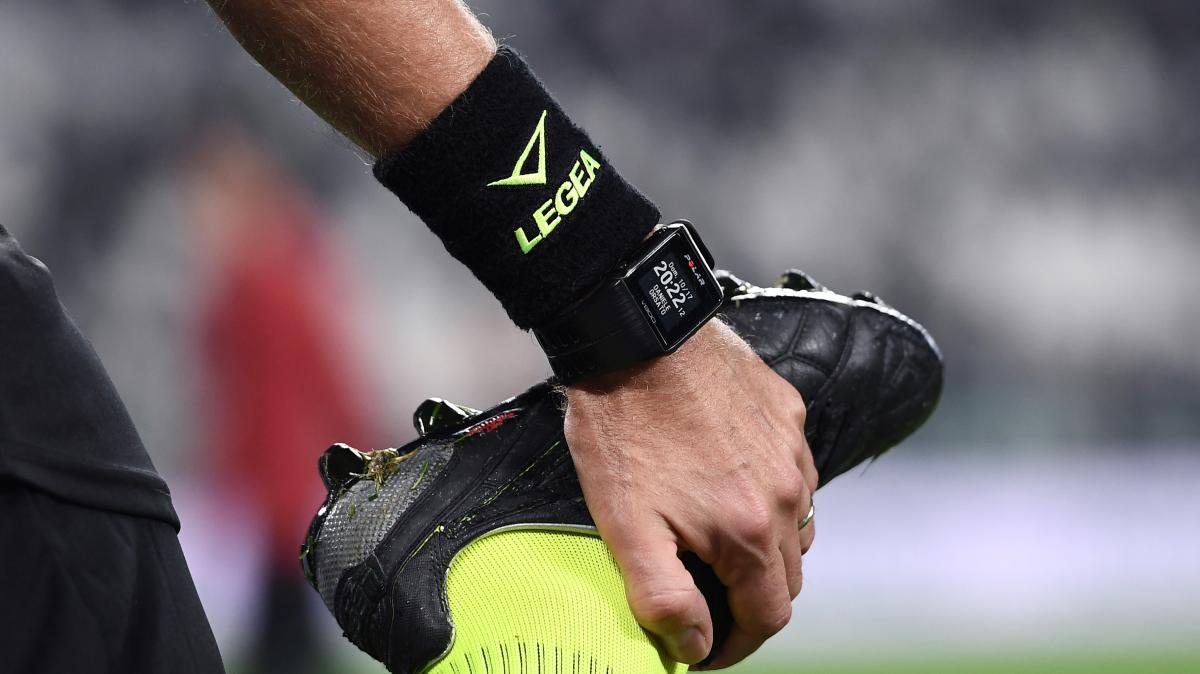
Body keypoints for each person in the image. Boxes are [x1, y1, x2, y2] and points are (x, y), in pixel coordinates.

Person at [205, 2, 819, 668]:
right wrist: (632, 323)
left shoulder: (270, 268)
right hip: (273, 480)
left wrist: (632, 331)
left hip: (278, 478)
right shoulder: (267, 267)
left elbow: (303, 371)